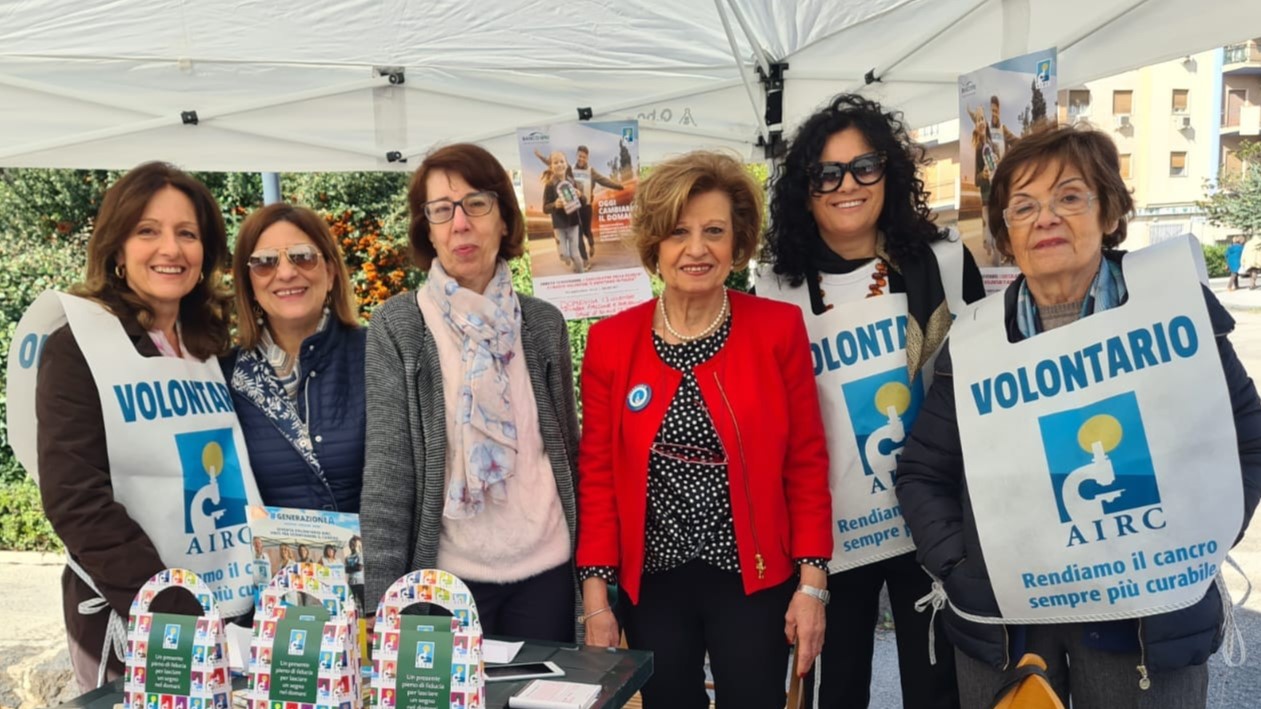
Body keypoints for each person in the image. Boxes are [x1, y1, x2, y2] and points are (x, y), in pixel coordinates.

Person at [896, 123, 1261, 708]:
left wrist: (1203, 532)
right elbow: (921, 472)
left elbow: (1247, 442)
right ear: (1005, 232)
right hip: (1011, 626)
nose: (1046, 218)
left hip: (1146, 621)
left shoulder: (1175, 311)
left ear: (1110, 212)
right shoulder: (975, 343)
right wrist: (964, 567)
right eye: (1024, 206)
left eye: (1069, 196)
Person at [576, 151, 833, 708]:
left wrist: (812, 585)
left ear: (737, 242)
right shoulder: (611, 343)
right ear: (655, 247)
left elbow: (806, 462)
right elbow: (596, 476)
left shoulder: (777, 329)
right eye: (678, 232)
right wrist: (597, 598)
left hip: (753, 579)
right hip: (654, 585)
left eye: (714, 231)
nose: (696, 249)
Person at [759, 93, 983, 709]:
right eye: (826, 173)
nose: (847, 185)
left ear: (891, 172)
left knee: (936, 684)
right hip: (833, 529)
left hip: (931, 519)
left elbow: (978, 382)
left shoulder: (941, 261)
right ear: (805, 189)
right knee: (840, 684)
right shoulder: (775, 286)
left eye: (865, 166)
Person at [14, 162, 262, 690]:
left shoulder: (209, 347)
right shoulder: (78, 344)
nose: (170, 249)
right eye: (147, 231)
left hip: (231, 607)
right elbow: (76, 500)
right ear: (117, 249)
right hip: (139, 619)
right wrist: (173, 611)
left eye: (187, 234)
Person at [361, 143, 581, 642]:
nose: (460, 223)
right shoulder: (400, 326)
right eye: (442, 210)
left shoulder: (543, 324)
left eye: (476, 203)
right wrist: (381, 599)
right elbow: (387, 472)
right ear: (429, 230)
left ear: (503, 218)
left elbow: (568, 449)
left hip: (545, 569)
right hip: (446, 580)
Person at [222, 203, 365, 513]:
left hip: (379, 560)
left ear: (329, 272)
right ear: (249, 284)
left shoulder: (377, 356)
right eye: (265, 262)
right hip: (268, 561)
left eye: (303, 256)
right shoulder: (223, 376)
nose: (286, 273)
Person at [534, 145, 624, 262]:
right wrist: (540, 156)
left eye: (584, 157)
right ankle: (584, 259)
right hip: (573, 207)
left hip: (586, 206)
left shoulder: (590, 171)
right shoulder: (569, 169)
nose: (581, 159)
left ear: (587, 158)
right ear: (577, 156)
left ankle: (591, 244)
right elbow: (552, 162)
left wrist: (619, 186)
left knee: (587, 231)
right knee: (578, 234)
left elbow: (603, 180)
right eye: (580, 156)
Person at [541, 151, 586, 273]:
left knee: (575, 254)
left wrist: (580, 195)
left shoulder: (572, 181)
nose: (559, 164)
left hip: (574, 222)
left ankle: (581, 273)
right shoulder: (550, 185)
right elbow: (545, 208)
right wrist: (555, 205)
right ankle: (567, 259)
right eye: (556, 162)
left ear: (566, 164)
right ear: (551, 166)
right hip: (559, 225)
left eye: (562, 161)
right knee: (563, 255)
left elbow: (583, 202)